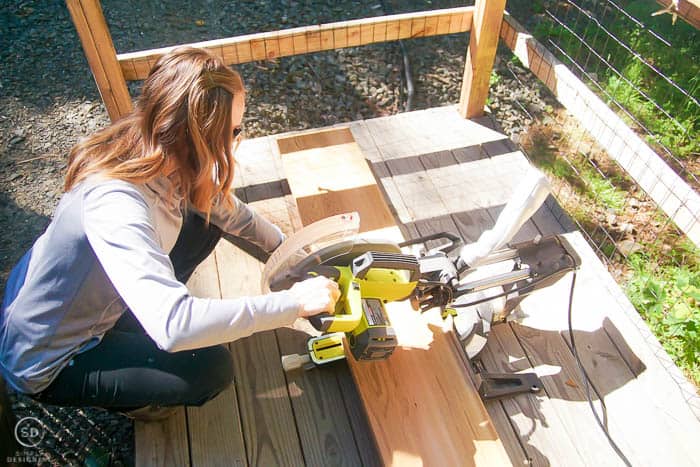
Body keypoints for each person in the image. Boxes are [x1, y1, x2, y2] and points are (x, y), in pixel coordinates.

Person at [0, 47, 340, 419]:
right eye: (233, 132)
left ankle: (143, 316)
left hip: (96, 302)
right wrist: (293, 304)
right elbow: (174, 326)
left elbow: (230, 213)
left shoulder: (155, 146)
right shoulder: (116, 203)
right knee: (211, 369)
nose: (235, 140)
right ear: (196, 136)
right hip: (54, 356)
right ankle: (134, 400)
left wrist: (291, 253)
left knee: (205, 218)